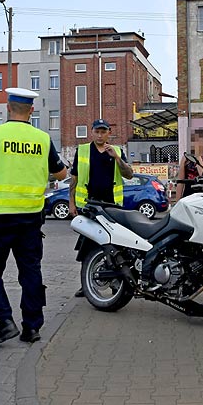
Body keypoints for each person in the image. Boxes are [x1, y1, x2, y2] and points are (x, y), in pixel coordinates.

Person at [0, 87, 67, 347]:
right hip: (31, 218)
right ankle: (31, 328)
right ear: (32, 111)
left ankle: (3, 321)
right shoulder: (42, 139)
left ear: (8, 108)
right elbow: (62, 174)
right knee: (30, 271)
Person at [69, 119, 133, 297]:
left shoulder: (117, 151)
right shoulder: (82, 150)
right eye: (97, 131)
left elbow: (129, 175)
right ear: (91, 132)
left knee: (114, 244)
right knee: (88, 245)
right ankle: (86, 284)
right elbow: (74, 178)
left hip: (112, 207)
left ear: (108, 133)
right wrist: (71, 202)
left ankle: (115, 283)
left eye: (103, 131)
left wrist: (117, 158)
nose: (100, 134)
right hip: (89, 205)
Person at [175, 128, 203, 201]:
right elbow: (180, 181)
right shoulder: (187, 158)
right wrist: (177, 201)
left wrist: (198, 156)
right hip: (188, 193)